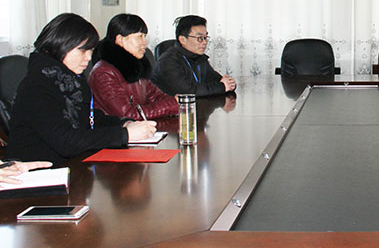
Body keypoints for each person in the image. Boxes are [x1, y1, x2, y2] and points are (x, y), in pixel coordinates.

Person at [5, 13, 156, 164]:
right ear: (60, 45)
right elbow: (66, 141)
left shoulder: (69, 80)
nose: (88, 58)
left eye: (90, 51)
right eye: (83, 51)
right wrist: (124, 135)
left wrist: (123, 123)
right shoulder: (36, 87)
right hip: (40, 172)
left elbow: (88, 118)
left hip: (73, 165)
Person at [89, 14, 178, 120]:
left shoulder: (135, 66)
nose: (145, 42)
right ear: (120, 39)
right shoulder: (104, 72)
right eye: (140, 36)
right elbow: (127, 115)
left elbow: (155, 96)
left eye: (145, 36)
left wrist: (176, 102)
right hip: (115, 129)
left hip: (140, 127)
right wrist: (171, 105)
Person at [151, 15, 236, 97]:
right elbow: (188, 91)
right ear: (182, 40)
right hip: (173, 106)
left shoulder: (199, 58)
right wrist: (222, 86)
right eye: (200, 38)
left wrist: (230, 84)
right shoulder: (168, 61)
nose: (205, 42)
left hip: (198, 104)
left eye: (206, 37)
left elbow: (217, 79)